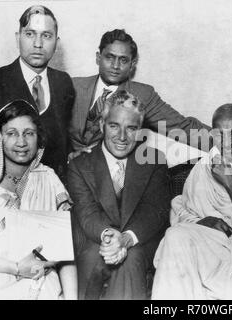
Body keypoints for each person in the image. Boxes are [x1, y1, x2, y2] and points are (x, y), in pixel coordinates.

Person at [151, 104, 232, 299]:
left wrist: (231, 183)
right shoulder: (203, 168)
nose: (226, 143)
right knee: (176, 235)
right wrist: (201, 222)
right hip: (208, 242)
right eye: (219, 134)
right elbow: (183, 209)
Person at [66, 90, 171, 300]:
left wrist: (126, 239)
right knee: (92, 256)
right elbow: (87, 213)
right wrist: (110, 237)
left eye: (131, 128)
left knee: (132, 258)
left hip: (139, 241)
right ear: (102, 124)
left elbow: (155, 211)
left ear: (140, 130)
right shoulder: (79, 165)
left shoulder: (154, 160)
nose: (122, 137)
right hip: (98, 239)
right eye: (114, 126)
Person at [0, 99, 77, 300]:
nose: (21, 142)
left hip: (44, 287)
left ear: (38, 138)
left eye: (29, 133)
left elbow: (66, 255)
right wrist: (17, 268)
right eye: (12, 133)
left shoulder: (49, 179)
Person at [69, 29, 211, 160]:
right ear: (98, 58)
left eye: (123, 60)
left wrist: (229, 143)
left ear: (132, 64)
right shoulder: (73, 86)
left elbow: (181, 127)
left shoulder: (142, 95)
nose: (115, 66)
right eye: (109, 57)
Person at [0, 5, 75, 181]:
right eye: (30, 34)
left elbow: (63, 140)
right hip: (4, 195)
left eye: (46, 36)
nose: (38, 44)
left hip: (53, 193)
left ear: (57, 42)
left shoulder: (63, 82)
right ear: (18, 38)